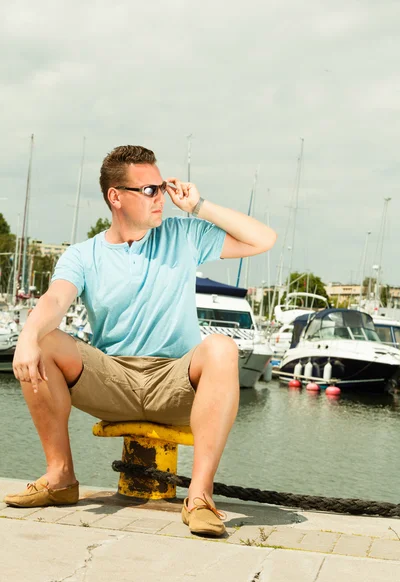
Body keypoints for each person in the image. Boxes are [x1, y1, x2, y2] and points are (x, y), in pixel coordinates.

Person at [5, 145, 277, 537]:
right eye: (149, 190)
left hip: (175, 382)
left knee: (222, 347)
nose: (161, 197)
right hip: (111, 379)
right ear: (116, 197)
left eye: (162, 187)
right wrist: (29, 336)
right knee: (42, 341)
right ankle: (60, 477)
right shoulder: (84, 255)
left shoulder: (184, 235)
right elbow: (55, 300)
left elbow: (263, 239)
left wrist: (199, 205)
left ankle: (199, 498)